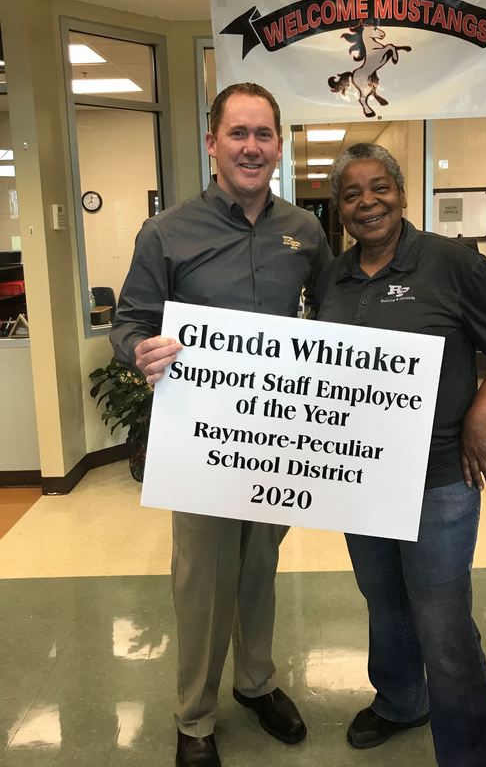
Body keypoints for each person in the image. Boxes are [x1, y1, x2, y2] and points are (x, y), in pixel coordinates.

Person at [110, 83, 332, 767]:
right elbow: (129, 323)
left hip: (273, 438)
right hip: (200, 442)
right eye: (238, 133)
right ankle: (196, 717)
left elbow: (326, 318)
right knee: (203, 579)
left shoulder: (307, 228)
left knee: (260, 567)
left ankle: (255, 683)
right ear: (212, 143)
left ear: (279, 146)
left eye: (264, 134)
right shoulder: (168, 231)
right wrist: (140, 351)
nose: (251, 146)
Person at [315, 143, 486, 767]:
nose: (366, 203)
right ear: (340, 210)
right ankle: (401, 700)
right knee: (383, 602)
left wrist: (481, 419)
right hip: (360, 475)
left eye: (378, 188)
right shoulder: (335, 274)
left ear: (403, 195)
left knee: (442, 621)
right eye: (351, 194)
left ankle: (470, 754)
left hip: (439, 477)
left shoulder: (451, 263)